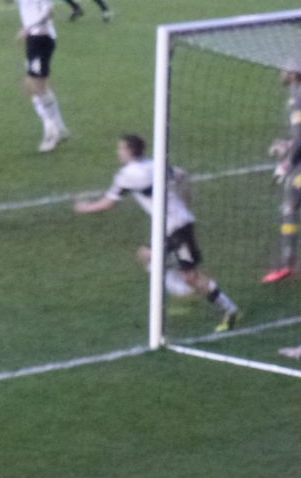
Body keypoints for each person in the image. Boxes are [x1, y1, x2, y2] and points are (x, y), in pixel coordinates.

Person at [74, 134, 239, 332]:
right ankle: (182, 290)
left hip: (176, 229)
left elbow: (108, 203)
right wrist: (186, 200)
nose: (118, 152)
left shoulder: (128, 175)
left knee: (190, 275)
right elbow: (182, 175)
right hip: (174, 225)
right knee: (147, 255)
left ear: (130, 151)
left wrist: (85, 208)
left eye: (121, 149)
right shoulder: (156, 164)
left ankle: (228, 308)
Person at [6, 0, 68, 152]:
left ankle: (52, 132)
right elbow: (31, 1)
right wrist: (15, 0)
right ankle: (58, 126)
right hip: (36, 39)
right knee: (36, 87)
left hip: (40, 38)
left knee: (35, 87)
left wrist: (28, 27)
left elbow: (48, 9)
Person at [262, 63, 301, 283]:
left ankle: (288, 264)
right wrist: (288, 144)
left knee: (290, 207)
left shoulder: (298, 98)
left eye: (286, 69)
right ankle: (288, 263)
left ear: (294, 74)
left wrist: (286, 161)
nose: (282, 72)